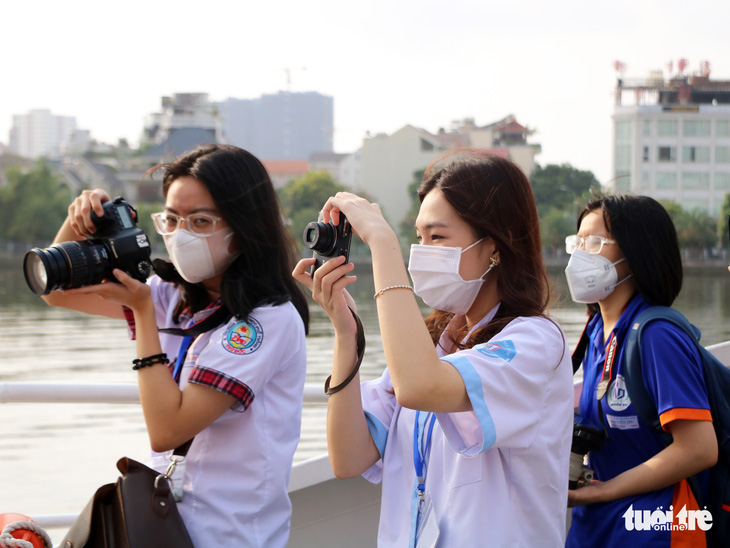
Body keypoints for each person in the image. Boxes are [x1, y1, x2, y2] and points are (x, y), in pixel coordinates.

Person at [293, 150, 574, 546]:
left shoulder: (534, 344)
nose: (421, 251)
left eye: (438, 237)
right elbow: (348, 457)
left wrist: (382, 244)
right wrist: (346, 332)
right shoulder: (433, 345)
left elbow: (419, 387)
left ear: (493, 245)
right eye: (418, 237)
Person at [42, 144, 310, 547]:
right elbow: (58, 293)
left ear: (245, 228)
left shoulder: (266, 319)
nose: (180, 234)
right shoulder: (174, 296)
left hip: (228, 535)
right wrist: (77, 225)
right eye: (171, 219)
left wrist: (143, 313)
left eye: (200, 221)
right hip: (164, 528)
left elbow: (167, 429)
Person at [565, 195, 718, 547]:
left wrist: (605, 492)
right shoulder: (594, 333)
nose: (579, 255)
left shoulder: (656, 335)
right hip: (595, 525)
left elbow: (699, 449)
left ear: (637, 252)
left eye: (594, 243)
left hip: (655, 528)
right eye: (577, 243)